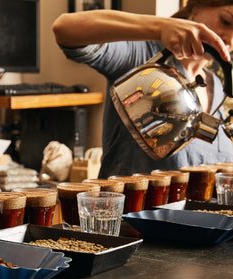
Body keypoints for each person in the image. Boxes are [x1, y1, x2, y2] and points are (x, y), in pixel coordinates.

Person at [52, 0, 233, 178]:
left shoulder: (218, 87)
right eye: (226, 21)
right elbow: (64, 28)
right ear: (195, 7)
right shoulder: (142, 59)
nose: (230, 38)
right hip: (131, 206)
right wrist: (161, 27)